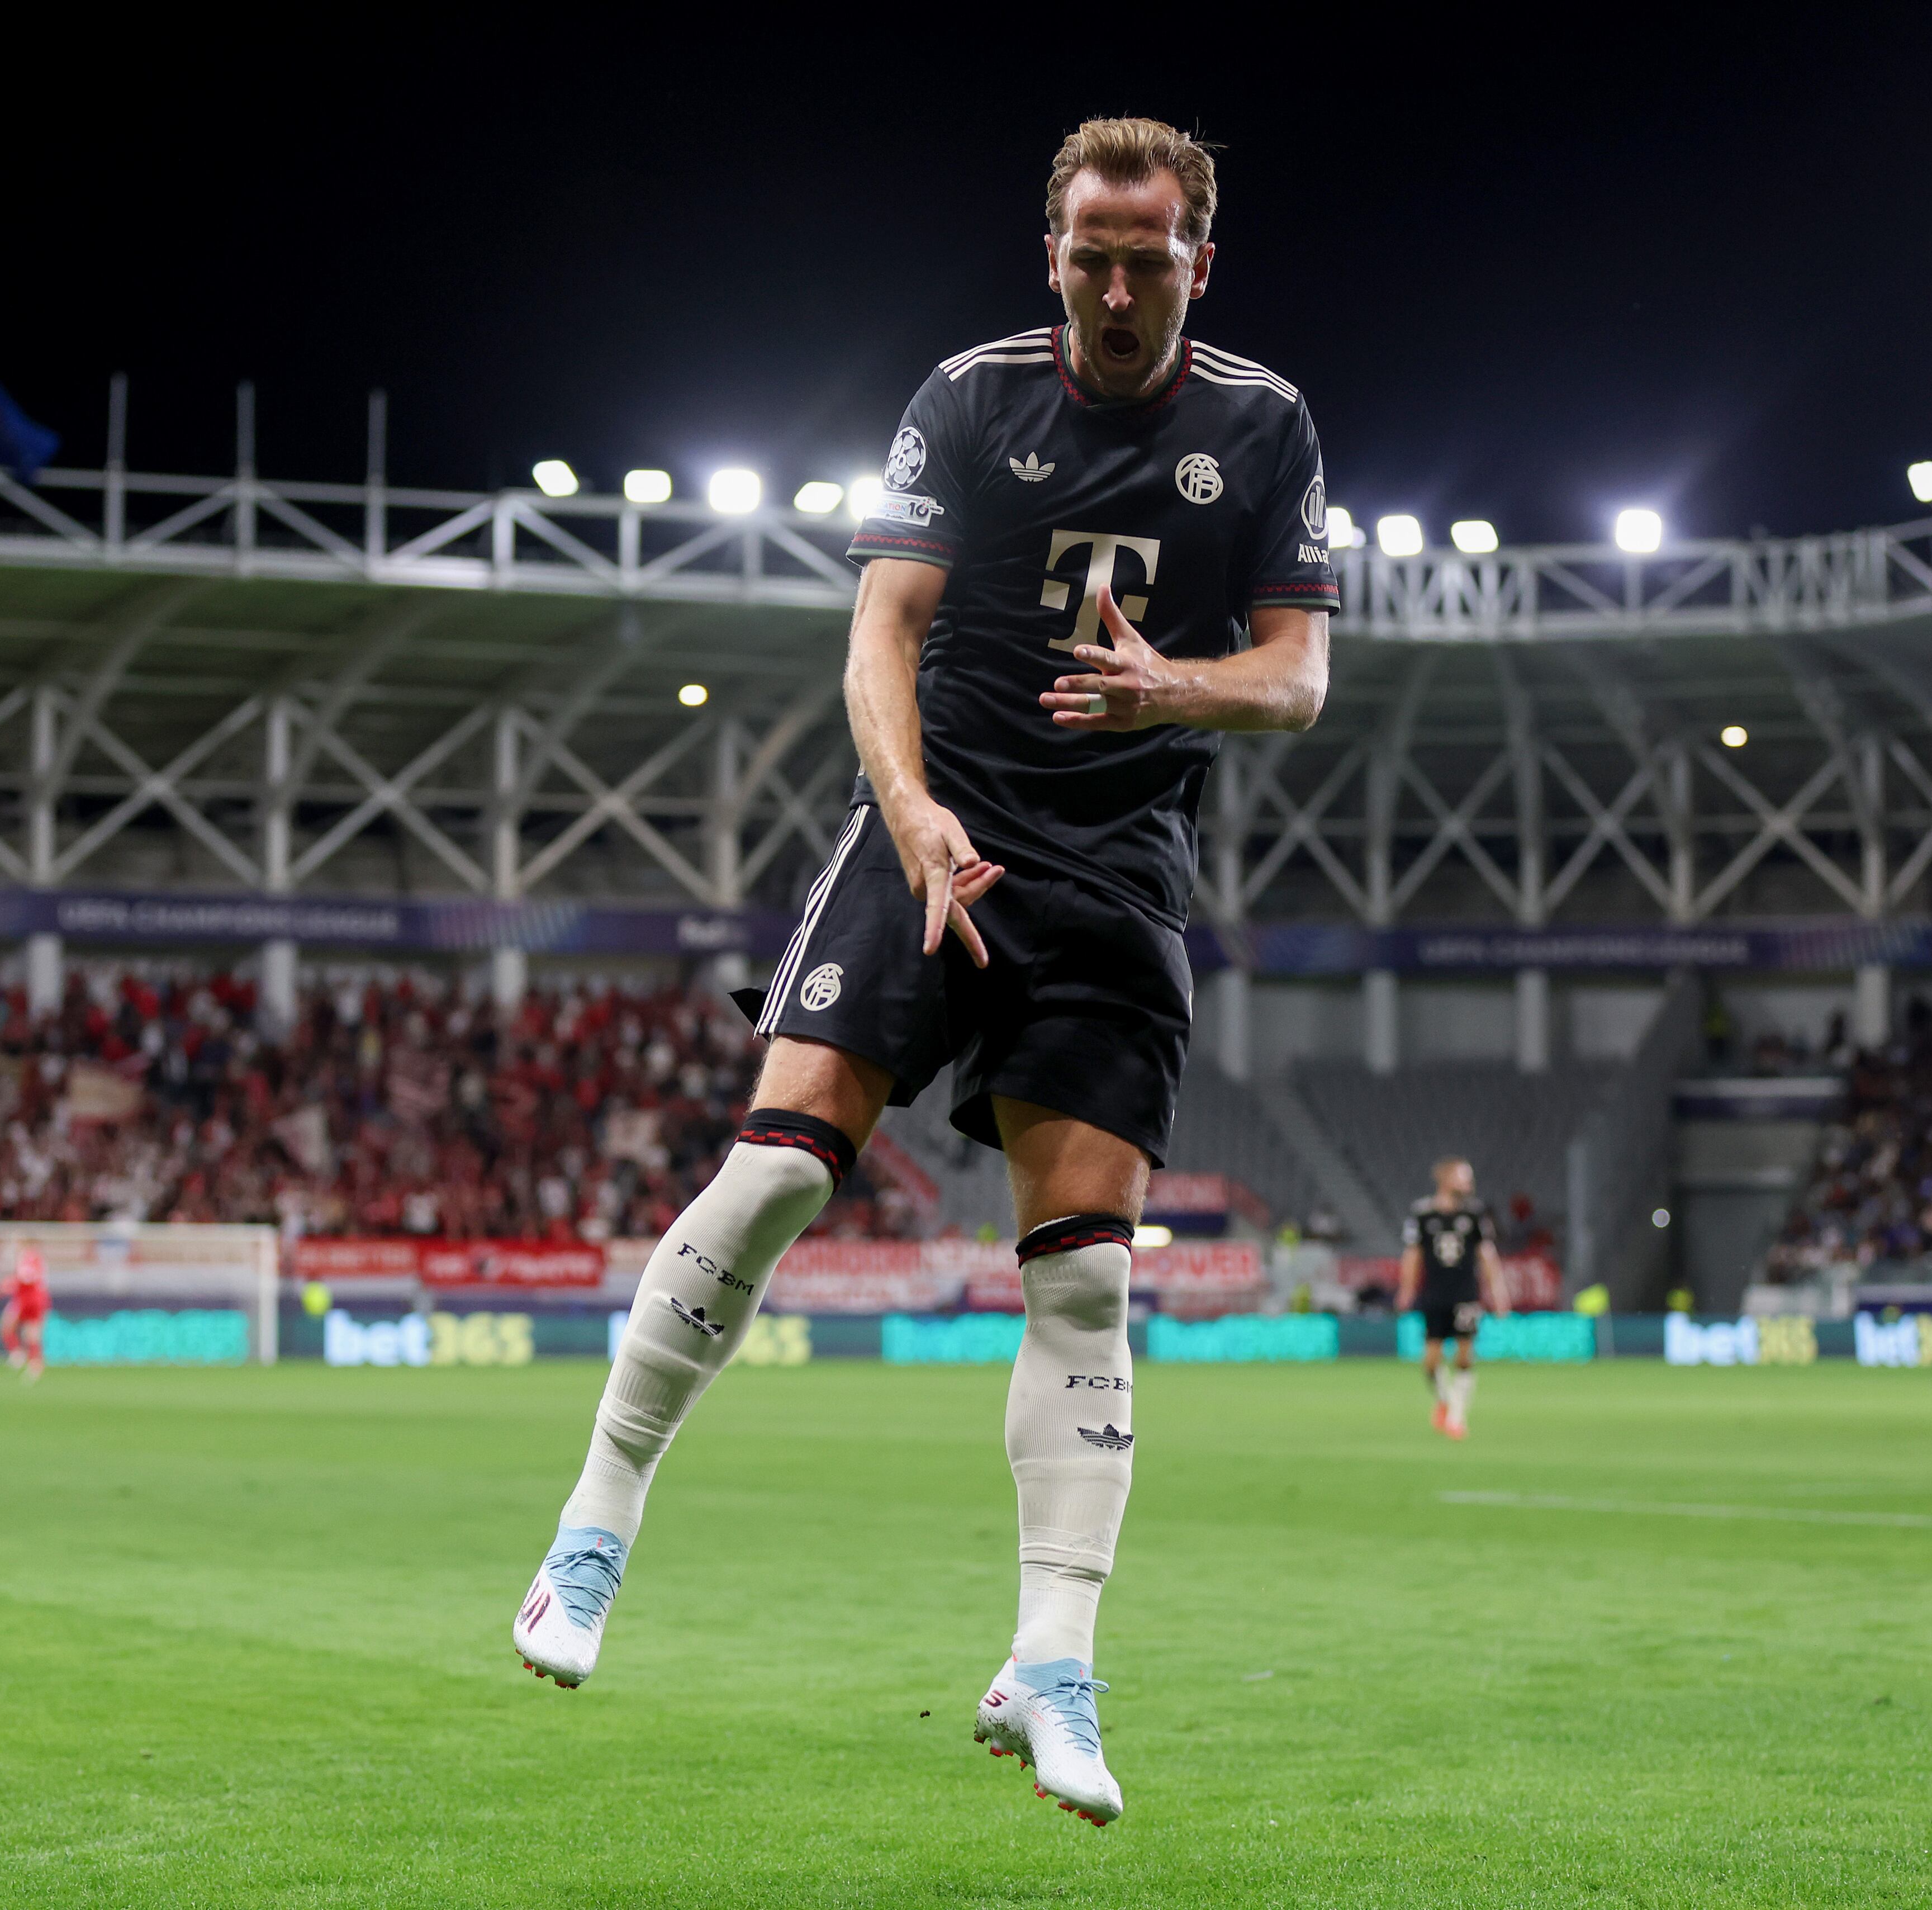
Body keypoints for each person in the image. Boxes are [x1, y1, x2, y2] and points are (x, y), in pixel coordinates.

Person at [510, 117, 1334, 1831]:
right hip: (935, 825)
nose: (1120, 288)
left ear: (1201, 261)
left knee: (1085, 1281)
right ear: (1052, 256)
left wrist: (1169, 690)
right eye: (1092, 256)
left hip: (1117, 873)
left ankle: (1052, 1664)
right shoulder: (967, 398)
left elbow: (1297, 678)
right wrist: (914, 815)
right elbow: (880, 631)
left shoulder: (1264, 424)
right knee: (775, 1174)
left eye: (1151, 258)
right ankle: (591, 1530)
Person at [1395, 1158, 1505, 1439]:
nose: (1469, 1183)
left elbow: (1486, 1254)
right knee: (1431, 1362)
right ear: (1446, 1180)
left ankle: (1457, 1417)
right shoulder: (1422, 1214)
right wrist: (1407, 1289)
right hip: (1434, 1294)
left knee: (1465, 1355)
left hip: (1465, 1293)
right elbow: (1412, 1254)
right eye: (1464, 1177)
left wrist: (1498, 1291)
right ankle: (1445, 1400)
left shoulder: (1475, 1214)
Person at [0, 1245, 49, 1382]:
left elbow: (24, 1278)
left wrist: (5, 1287)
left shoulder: (26, 1257)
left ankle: (19, 1355)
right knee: (30, 1334)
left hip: (26, 1299)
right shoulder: (38, 1259)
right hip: (38, 1299)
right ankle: (32, 1363)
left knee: (9, 1327)